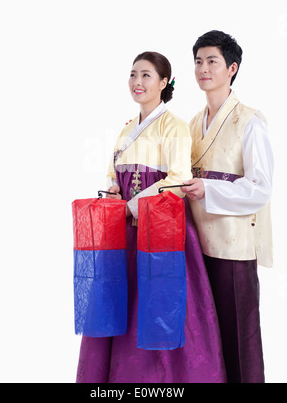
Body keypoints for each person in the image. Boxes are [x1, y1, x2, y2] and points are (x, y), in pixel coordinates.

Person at [76, 51, 226, 383]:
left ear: (163, 83)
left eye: (146, 75)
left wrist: (132, 205)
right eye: (133, 74)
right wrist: (113, 192)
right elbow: (113, 175)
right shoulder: (128, 128)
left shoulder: (174, 126)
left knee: (160, 302)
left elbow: (177, 179)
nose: (138, 82)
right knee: (122, 302)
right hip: (125, 232)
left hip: (163, 230)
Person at [181, 30, 274, 383]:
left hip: (233, 247)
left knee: (239, 339)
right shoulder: (191, 123)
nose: (203, 68)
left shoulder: (249, 121)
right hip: (195, 245)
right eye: (198, 61)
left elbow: (260, 188)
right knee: (204, 340)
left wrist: (208, 188)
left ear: (232, 68)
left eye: (212, 61)